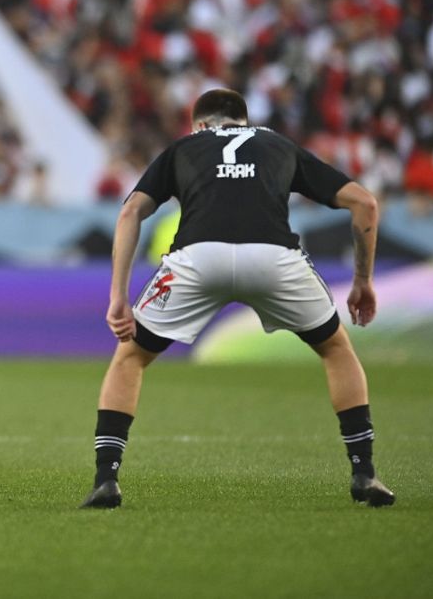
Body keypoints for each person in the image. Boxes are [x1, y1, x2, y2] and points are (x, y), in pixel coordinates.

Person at [80, 88, 394, 509]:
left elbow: (130, 212)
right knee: (336, 350)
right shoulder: (279, 145)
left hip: (198, 257)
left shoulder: (183, 148)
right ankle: (364, 474)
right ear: (244, 122)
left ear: (199, 126)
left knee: (131, 357)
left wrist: (118, 296)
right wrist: (362, 280)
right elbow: (365, 204)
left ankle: (106, 480)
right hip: (274, 258)